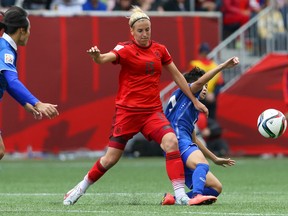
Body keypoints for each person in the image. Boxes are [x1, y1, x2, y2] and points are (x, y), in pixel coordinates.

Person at [63, 5, 209, 206]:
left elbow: (177, 76)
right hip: (127, 113)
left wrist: (194, 101)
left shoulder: (160, 50)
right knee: (110, 159)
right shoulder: (125, 49)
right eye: (140, 31)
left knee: (171, 142)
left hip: (152, 113)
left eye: (147, 30)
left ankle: (181, 195)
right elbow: (104, 58)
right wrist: (96, 56)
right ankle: (80, 187)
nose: (144, 34)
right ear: (131, 32)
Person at [161, 57, 238, 205]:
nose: (205, 88)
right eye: (204, 85)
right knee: (202, 163)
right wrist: (222, 66)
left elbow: (194, 141)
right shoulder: (186, 91)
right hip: (177, 140)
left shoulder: (190, 108)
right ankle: (196, 196)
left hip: (180, 143)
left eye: (207, 86)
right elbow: (200, 82)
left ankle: (174, 199)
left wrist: (215, 158)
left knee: (216, 187)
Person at [0, 6, 59, 160]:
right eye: (29, 29)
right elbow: (12, 81)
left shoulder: (5, 47)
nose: (30, 34)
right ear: (21, 30)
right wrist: (37, 103)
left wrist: (25, 103)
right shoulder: (5, 50)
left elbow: (6, 81)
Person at [188, 42, 224, 120]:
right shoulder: (215, 66)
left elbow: (191, 82)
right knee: (211, 119)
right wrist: (212, 94)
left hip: (198, 97)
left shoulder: (194, 64)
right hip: (211, 98)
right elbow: (220, 84)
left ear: (200, 52)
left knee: (197, 120)